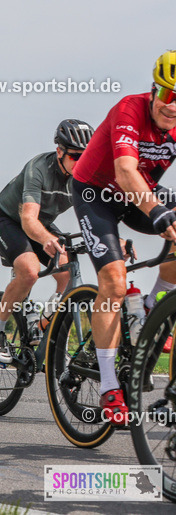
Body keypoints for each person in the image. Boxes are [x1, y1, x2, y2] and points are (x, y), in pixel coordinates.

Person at [70, 51, 176, 425]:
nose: (172, 105)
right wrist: (157, 210)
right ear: (154, 90)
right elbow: (125, 169)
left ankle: (153, 306)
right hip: (95, 191)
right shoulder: (129, 109)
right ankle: (110, 386)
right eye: (168, 94)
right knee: (113, 282)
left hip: (138, 191)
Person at [0, 120, 99, 363]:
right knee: (29, 270)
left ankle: (43, 322)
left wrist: (114, 239)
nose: (82, 162)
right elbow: (28, 219)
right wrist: (46, 239)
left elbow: (99, 212)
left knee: (66, 270)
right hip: (10, 220)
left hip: (42, 223)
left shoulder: (86, 175)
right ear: (59, 151)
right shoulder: (39, 168)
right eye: (75, 156)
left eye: (86, 156)